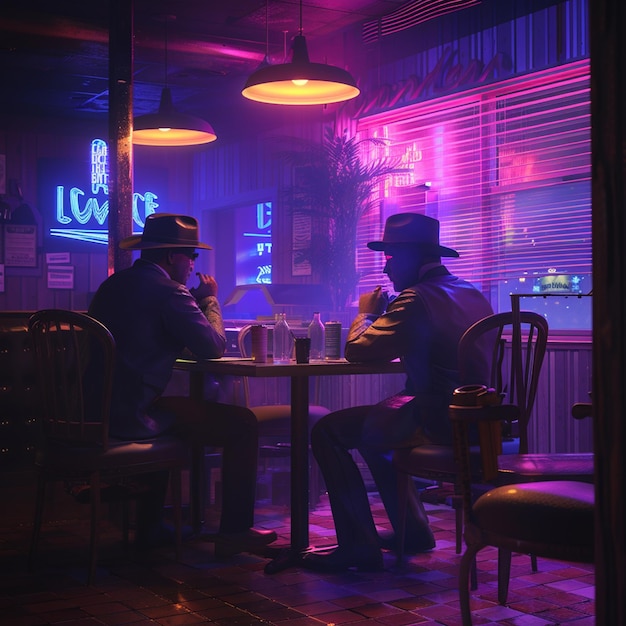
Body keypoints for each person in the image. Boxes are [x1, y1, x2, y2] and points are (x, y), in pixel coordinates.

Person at [303, 212, 494, 572]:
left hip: (439, 420)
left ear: (410, 256)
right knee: (378, 428)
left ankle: (358, 546)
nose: (386, 269)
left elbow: (358, 350)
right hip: (481, 419)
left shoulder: (416, 299)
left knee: (328, 430)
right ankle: (415, 532)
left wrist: (366, 314)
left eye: (390, 258)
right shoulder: (471, 292)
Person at [88, 213, 276, 555]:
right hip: (134, 415)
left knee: (178, 409)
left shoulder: (112, 285)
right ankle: (234, 531)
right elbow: (213, 347)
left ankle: (151, 527)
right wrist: (208, 299)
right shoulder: (171, 292)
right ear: (172, 256)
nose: (193, 264)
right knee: (242, 424)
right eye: (191, 255)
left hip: (93, 411)